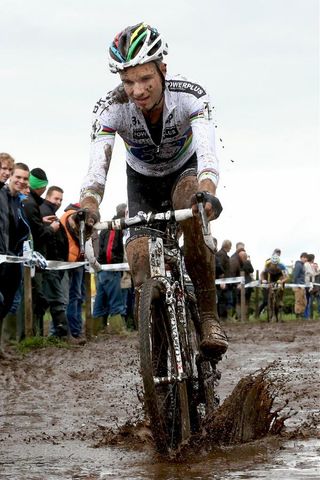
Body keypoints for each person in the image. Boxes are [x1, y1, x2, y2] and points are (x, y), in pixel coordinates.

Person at [80, 22, 227, 356]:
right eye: (128, 81)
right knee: (140, 258)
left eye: (145, 78)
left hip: (184, 173)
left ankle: (207, 317)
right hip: (142, 181)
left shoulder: (190, 96)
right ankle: (158, 351)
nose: (137, 90)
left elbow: (207, 156)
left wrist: (207, 191)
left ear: (163, 69)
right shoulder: (110, 108)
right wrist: (88, 205)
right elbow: (95, 173)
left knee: (190, 205)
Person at [23, 168, 67, 337]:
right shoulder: (34, 205)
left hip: (44, 262)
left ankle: (38, 335)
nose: (58, 202)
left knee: (41, 300)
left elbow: (34, 227)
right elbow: (40, 235)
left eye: (61, 199)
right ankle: (54, 335)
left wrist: (42, 224)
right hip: (44, 262)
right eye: (56, 198)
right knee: (47, 300)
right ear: (45, 192)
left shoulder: (38, 207)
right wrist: (51, 228)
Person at [0, 163, 30, 356]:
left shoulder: (18, 202)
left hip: (12, 259)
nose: (21, 181)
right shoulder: (1, 195)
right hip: (1, 256)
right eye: (17, 176)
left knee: (7, 303)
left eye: (25, 179)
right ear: (10, 176)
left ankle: (1, 347)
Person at [93, 203, 127, 328]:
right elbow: (109, 250)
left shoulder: (109, 226)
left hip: (103, 268)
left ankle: (97, 328)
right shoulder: (114, 226)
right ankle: (117, 328)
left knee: (100, 300)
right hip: (110, 268)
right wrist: (113, 266)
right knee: (116, 301)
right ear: (125, 212)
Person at [216, 239, 232, 321]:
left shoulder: (223, 254)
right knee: (222, 299)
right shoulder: (222, 255)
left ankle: (224, 317)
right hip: (222, 281)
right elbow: (220, 269)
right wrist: (222, 281)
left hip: (225, 281)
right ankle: (222, 317)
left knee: (224, 299)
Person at [292, 252, 308, 319]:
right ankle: (298, 315)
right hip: (298, 285)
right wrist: (296, 284)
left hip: (302, 285)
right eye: (304, 258)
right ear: (301, 257)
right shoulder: (298, 265)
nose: (305, 260)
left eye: (306, 258)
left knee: (304, 301)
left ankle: (301, 313)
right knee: (298, 300)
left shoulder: (302, 265)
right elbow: (295, 275)